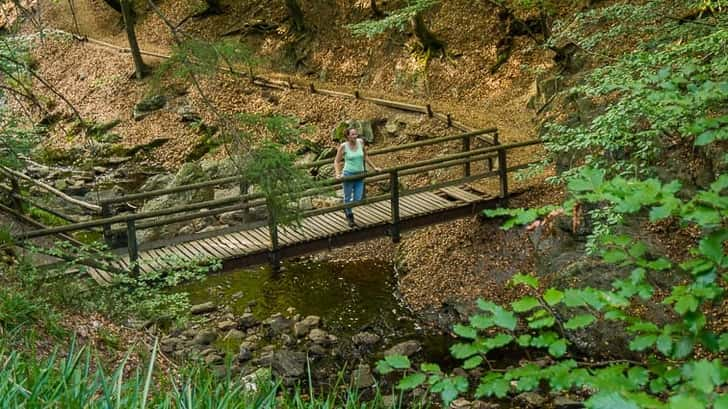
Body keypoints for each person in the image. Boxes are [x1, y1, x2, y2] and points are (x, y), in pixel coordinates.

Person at [334, 127, 380, 228]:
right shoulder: (343, 146)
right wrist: (338, 174)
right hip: (348, 175)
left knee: (358, 198)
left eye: (356, 134)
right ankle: (350, 216)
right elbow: (337, 161)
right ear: (347, 136)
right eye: (353, 135)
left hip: (360, 174)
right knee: (347, 196)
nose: (355, 136)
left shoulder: (361, 142)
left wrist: (374, 167)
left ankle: (346, 208)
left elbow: (365, 156)